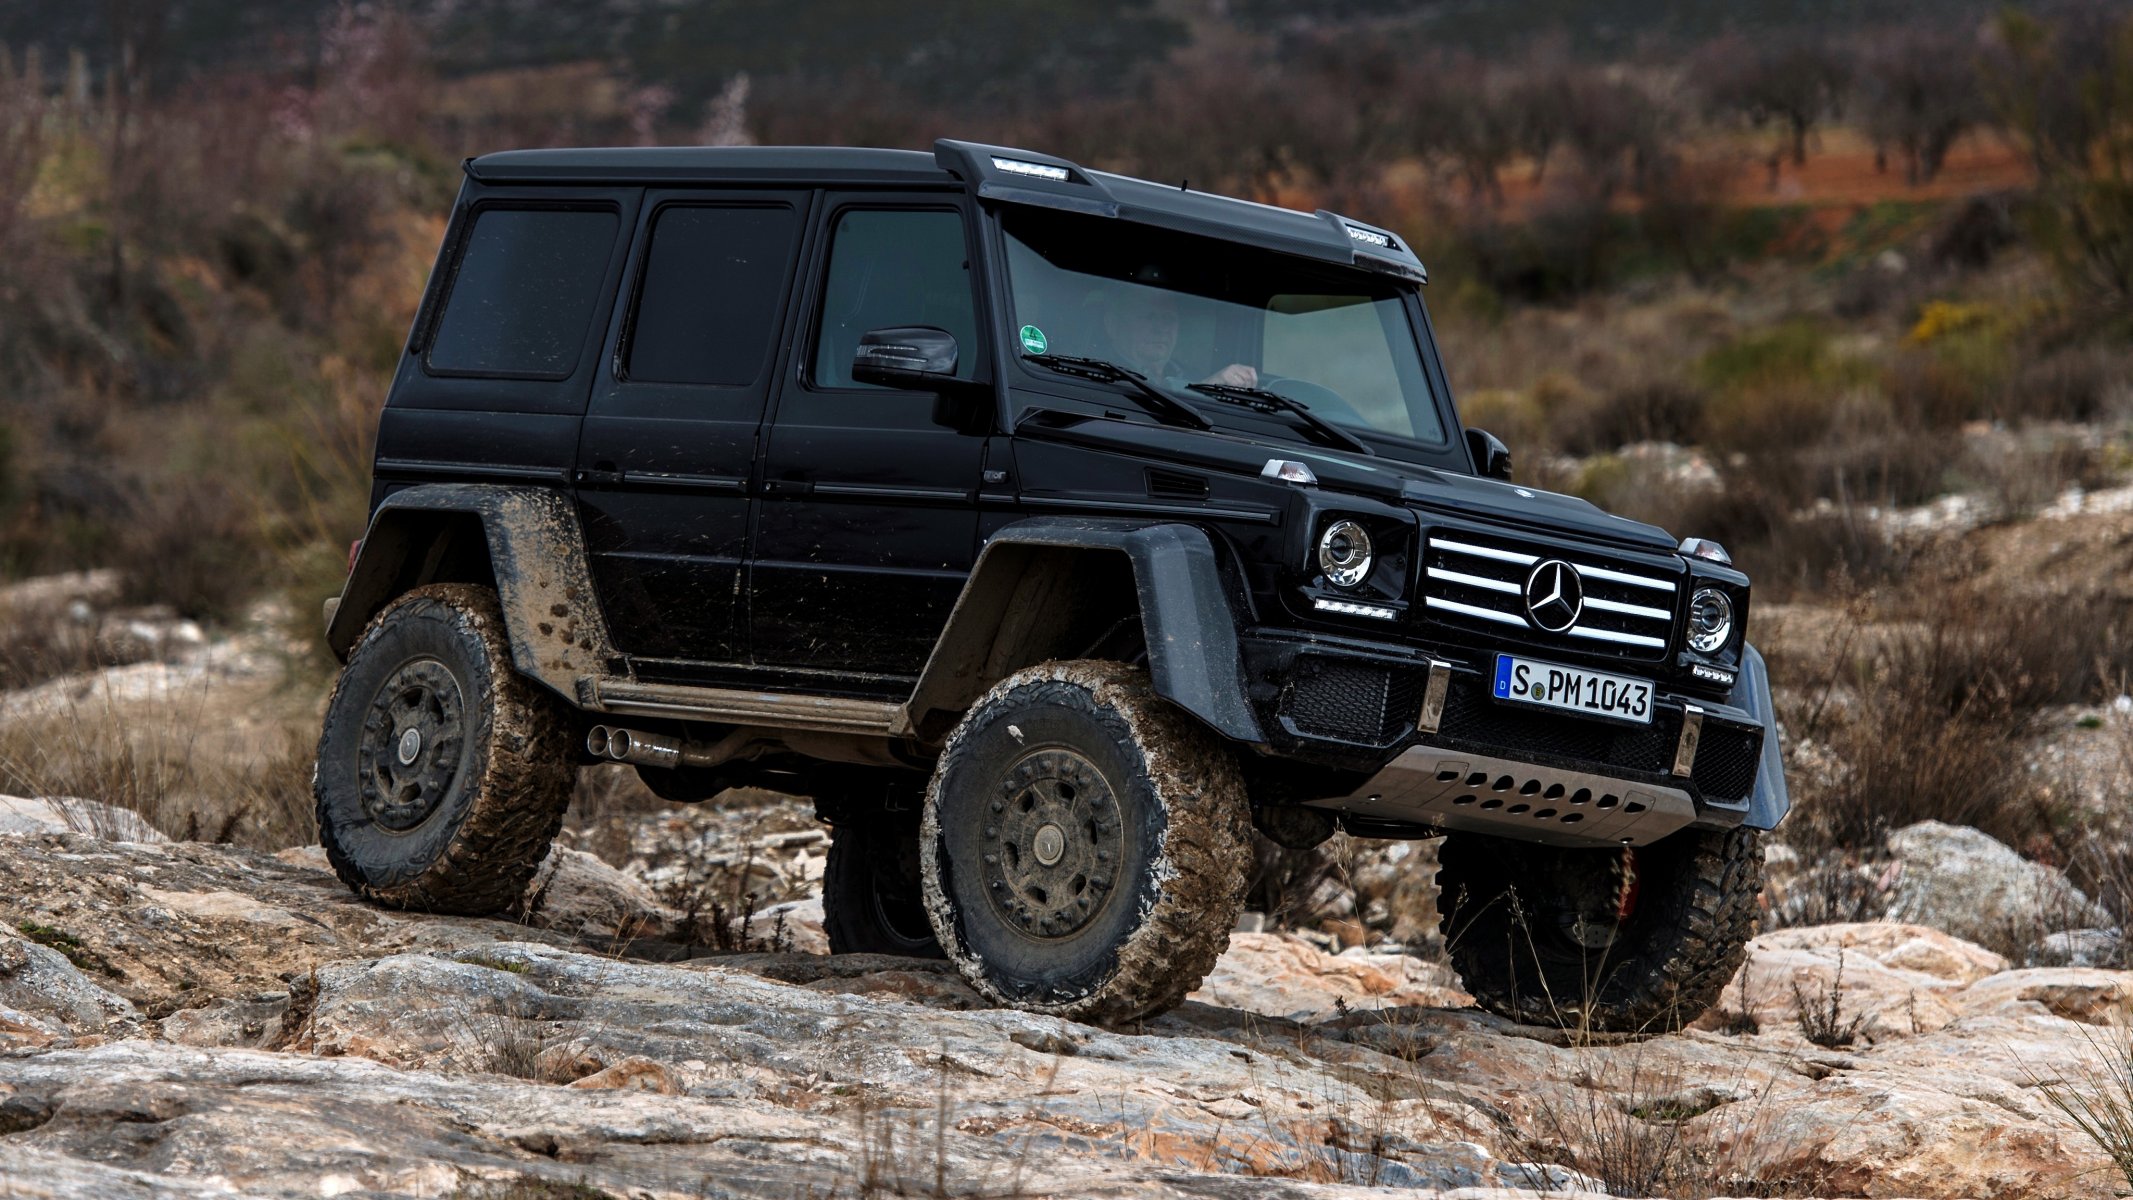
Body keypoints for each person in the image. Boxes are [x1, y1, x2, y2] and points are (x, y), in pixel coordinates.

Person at [1100, 287, 1258, 390]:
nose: (1161, 329)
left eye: (1169, 319)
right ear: (1112, 324)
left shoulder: (1190, 375)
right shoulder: (1096, 372)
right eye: (1149, 317)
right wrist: (1205, 389)